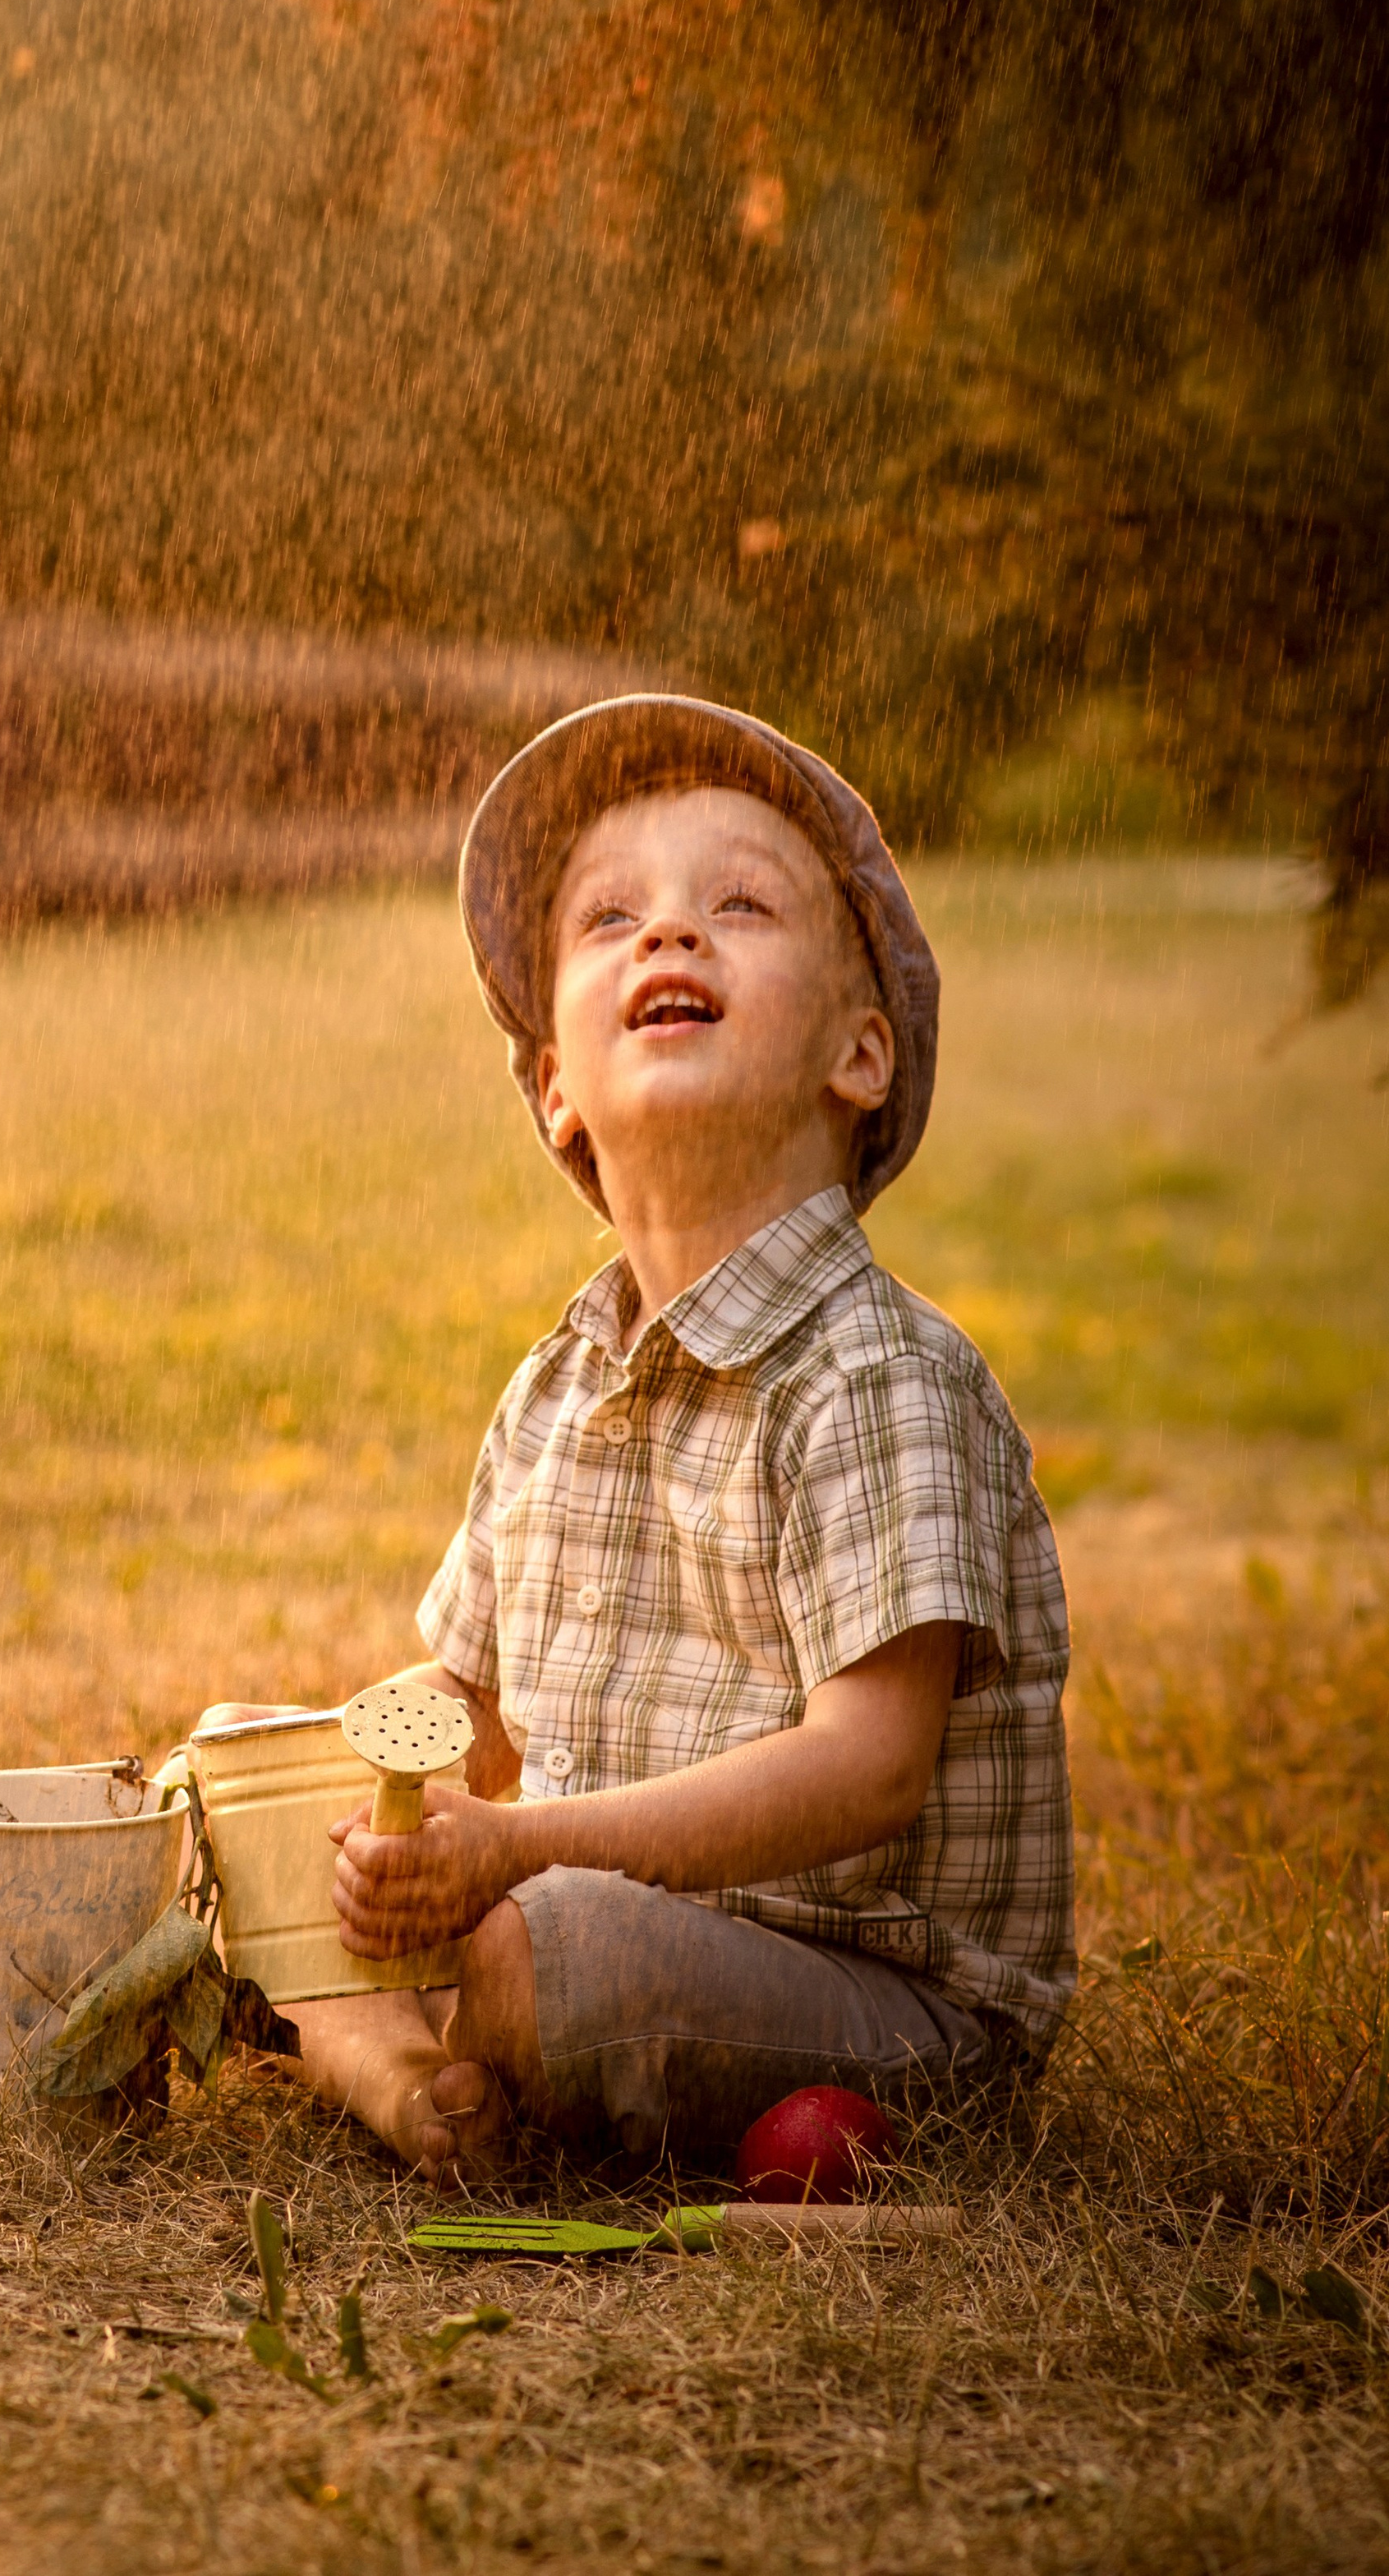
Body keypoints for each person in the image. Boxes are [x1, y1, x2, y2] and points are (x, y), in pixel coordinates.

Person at [278, 695, 1074, 2178]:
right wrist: (330, 1800)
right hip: (592, 1917)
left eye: (740, 905)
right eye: (610, 920)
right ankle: (406, 2081)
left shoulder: (878, 1376)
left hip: (878, 2002)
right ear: (555, 1092)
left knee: (545, 1950)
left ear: (861, 1056)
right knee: (260, 1854)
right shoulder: (558, 1388)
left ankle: (426, 2052)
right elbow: (467, 1708)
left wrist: (517, 1848)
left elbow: (868, 1766)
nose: (669, 938)